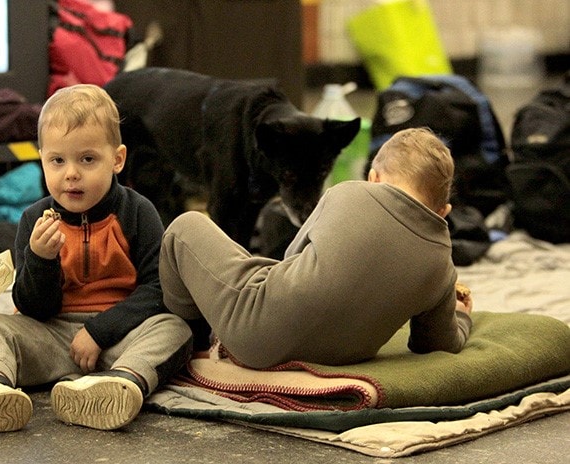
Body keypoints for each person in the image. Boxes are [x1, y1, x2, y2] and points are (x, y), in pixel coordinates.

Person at [0, 84, 193, 434]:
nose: (71, 174)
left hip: (117, 339)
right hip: (51, 338)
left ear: (117, 159)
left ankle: (120, 384)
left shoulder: (137, 212)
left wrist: (100, 331)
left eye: (87, 159)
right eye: (57, 160)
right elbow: (31, 306)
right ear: (42, 160)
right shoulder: (33, 220)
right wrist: (40, 259)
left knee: (175, 329)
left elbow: (159, 289)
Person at [159, 127, 473, 369]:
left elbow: (290, 258)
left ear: (374, 178)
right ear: (443, 211)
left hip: (257, 338)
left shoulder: (349, 193)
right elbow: (435, 344)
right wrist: (460, 317)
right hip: (342, 360)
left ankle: (190, 339)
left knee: (185, 228)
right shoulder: (442, 265)